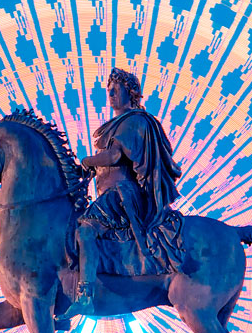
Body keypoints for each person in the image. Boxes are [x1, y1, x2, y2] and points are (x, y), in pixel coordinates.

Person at [65, 69, 183, 317]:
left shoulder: (134, 121)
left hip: (122, 195)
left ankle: (85, 295)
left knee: (85, 230)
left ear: (129, 93)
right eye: (108, 90)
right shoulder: (120, 124)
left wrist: (88, 160)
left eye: (115, 89)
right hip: (110, 194)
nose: (110, 94)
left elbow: (115, 156)